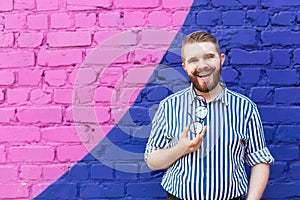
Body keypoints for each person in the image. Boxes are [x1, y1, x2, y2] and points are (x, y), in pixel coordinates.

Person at [144, 30, 274, 200]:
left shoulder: (244, 108)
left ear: (221, 59)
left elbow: (259, 160)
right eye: (193, 60)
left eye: (209, 57)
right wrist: (181, 149)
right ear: (185, 66)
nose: (202, 65)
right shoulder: (169, 106)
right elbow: (152, 160)